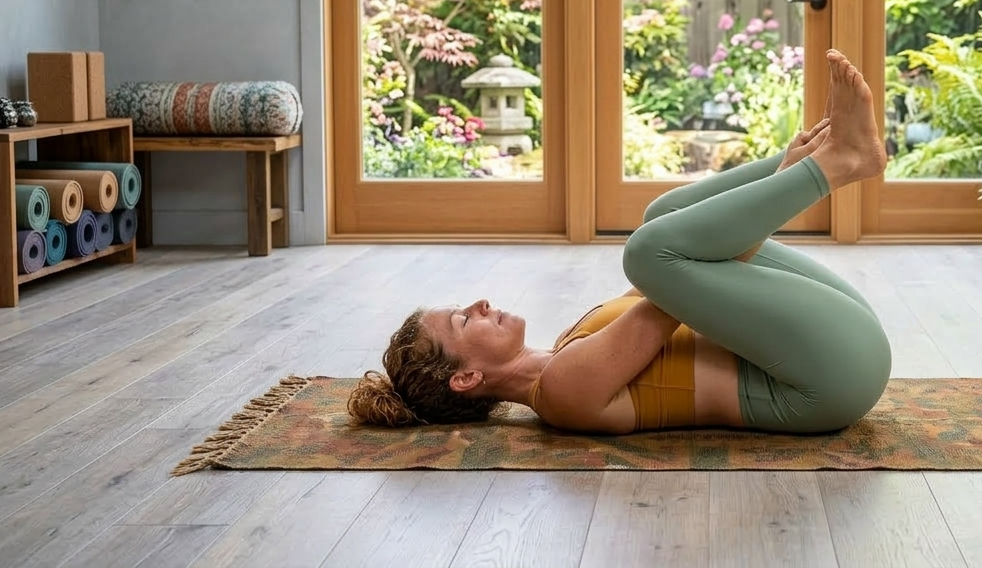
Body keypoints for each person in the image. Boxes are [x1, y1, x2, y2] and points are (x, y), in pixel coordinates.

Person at [348, 48, 892, 435]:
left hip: (833, 345)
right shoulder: (560, 395)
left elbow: (702, 268)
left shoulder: (568, 346)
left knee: (664, 218)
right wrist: (775, 195)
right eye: (464, 320)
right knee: (647, 254)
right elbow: (675, 297)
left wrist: (777, 183)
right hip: (828, 378)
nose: (480, 303)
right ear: (466, 378)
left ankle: (799, 163)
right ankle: (835, 163)